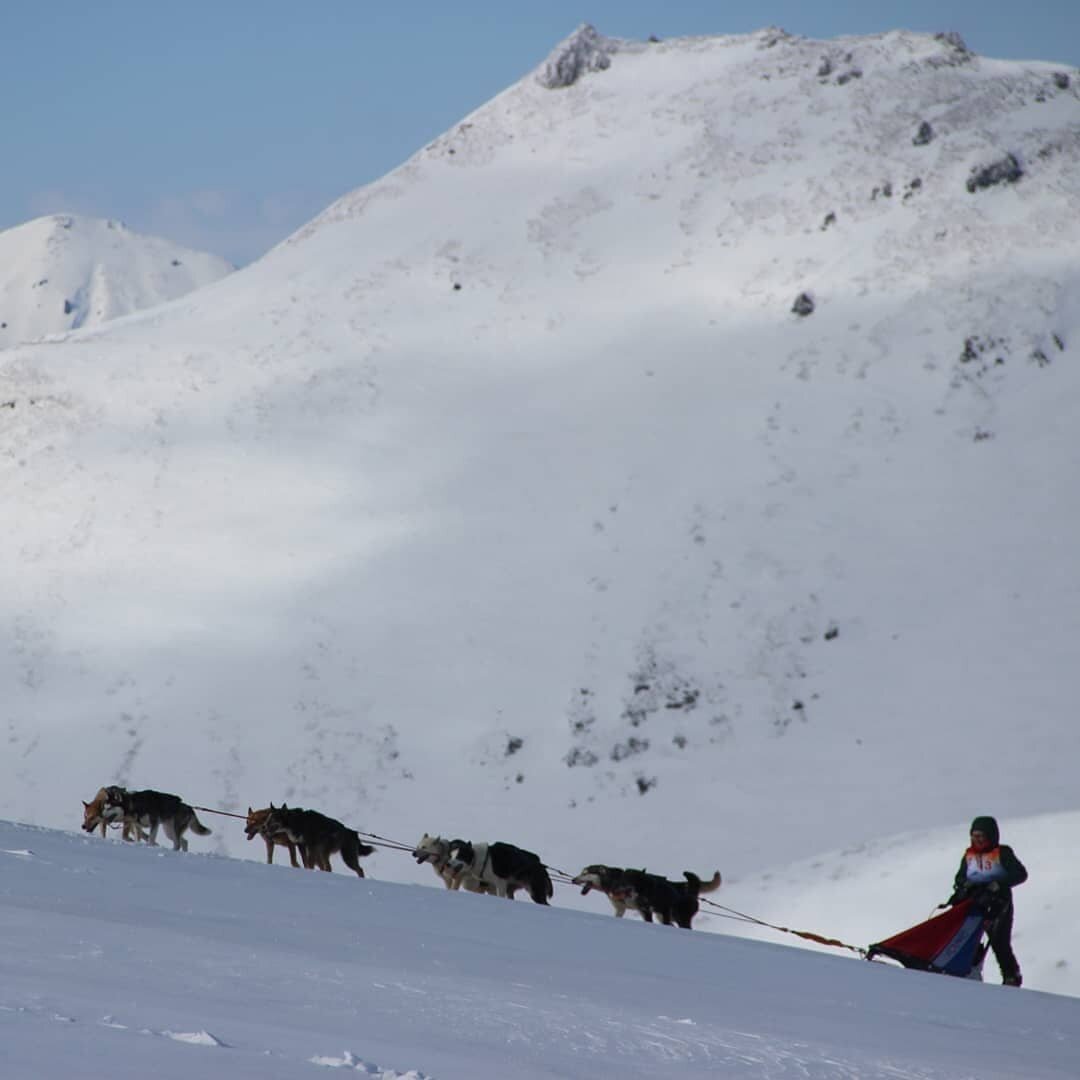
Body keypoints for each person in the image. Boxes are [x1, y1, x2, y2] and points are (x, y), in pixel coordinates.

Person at [947, 815, 1027, 986]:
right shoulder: (969, 855)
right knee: (968, 939)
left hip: (999, 904)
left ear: (991, 836)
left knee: (999, 941)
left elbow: (1020, 874)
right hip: (974, 902)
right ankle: (970, 971)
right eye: (974, 836)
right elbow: (960, 877)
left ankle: (1011, 975)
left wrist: (999, 884)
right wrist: (964, 885)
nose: (976, 840)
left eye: (980, 836)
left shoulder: (1002, 853)